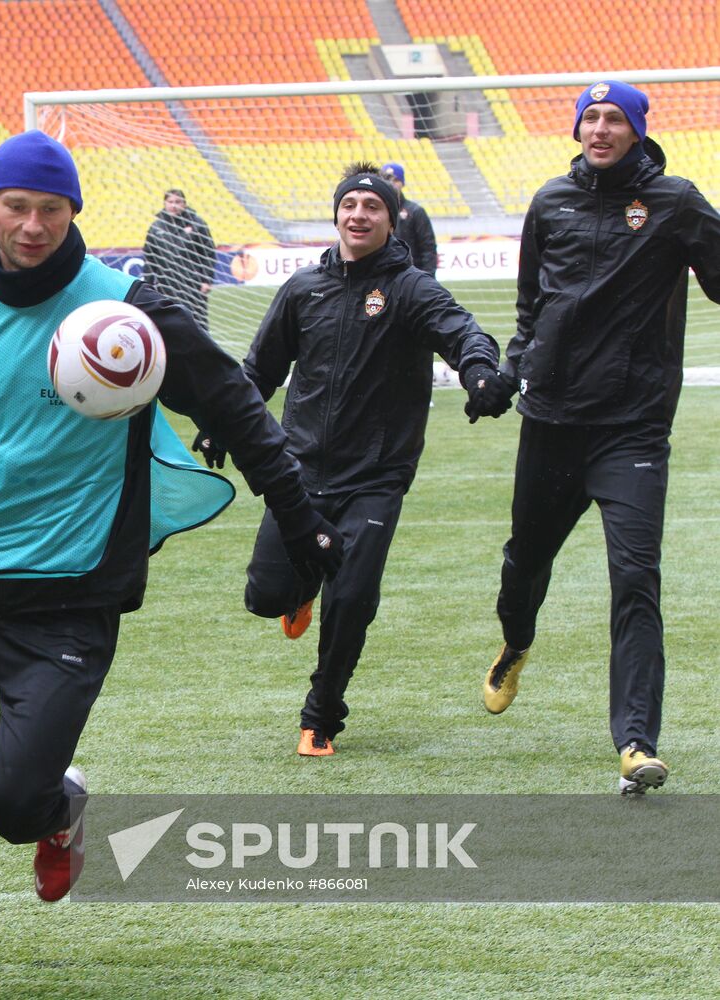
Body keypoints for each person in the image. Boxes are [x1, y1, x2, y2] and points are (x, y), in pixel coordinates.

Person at [0, 130, 344, 1000]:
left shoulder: (125, 307)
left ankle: (57, 807)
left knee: (9, 804)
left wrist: (297, 512)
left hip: (70, 596)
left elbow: (231, 400)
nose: (32, 227)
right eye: (16, 208)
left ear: (73, 211)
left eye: (50, 209)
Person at [194, 163, 507, 756]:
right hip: (300, 472)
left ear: (392, 220)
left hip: (377, 475)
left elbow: (464, 333)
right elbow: (258, 370)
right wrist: (219, 424)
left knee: (355, 593)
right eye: (350, 204)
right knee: (265, 598)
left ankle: (321, 715)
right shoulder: (304, 288)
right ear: (336, 213)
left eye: (373, 206)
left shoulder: (411, 289)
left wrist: (479, 372)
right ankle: (300, 586)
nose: (359, 214)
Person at [477, 81, 720, 794]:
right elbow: (530, 307)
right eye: (591, 117)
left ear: (637, 130)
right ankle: (515, 643)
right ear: (576, 128)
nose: (601, 128)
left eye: (615, 118)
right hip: (551, 423)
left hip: (632, 429)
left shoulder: (674, 202)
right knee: (523, 565)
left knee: (635, 580)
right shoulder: (550, 201)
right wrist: (508, 373)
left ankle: (636, 742)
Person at [141, 188, 217, 332]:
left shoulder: (198, 224)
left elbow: (208, 253)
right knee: (169, 325)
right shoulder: (156, 227)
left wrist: (206, 280)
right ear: (164, 204)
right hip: (166, 286)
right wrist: (148, 285)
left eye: (178, 202)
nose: (174, 205)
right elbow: (150, 259)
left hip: (193, 285)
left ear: (184, 204)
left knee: (198, 325)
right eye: (170, 202)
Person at [380, 162, 438, 276]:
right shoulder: (374, 211)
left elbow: (428, 248)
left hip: (411, 278)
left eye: (395, 180)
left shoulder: (416, 211)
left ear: (402, 183)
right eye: (386, 180)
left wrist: (427, 278)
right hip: (382, 279)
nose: (391, 184)